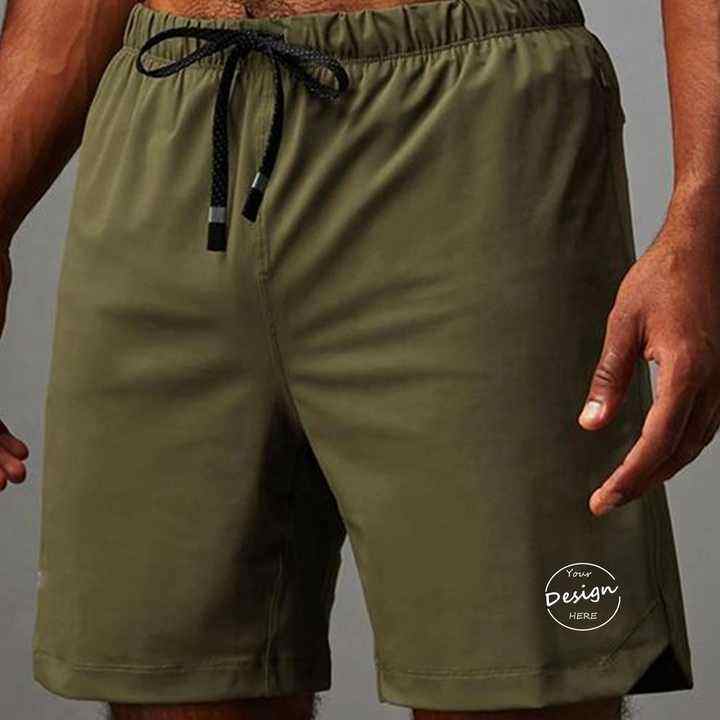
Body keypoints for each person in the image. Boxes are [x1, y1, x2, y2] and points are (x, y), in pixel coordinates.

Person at [0, 0, 715, 718]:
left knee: (515, 684)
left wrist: (703, 222)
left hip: (465, 133)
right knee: (170, 688)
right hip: (171, 128)